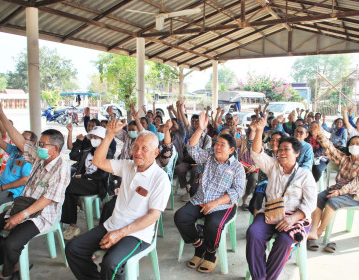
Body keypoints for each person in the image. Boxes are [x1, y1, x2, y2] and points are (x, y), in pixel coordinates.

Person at [65, 121, 171, 280]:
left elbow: (153, 216)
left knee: (111, 264)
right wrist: (109, 135)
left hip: (137, 234)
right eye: (135, 147)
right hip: (112, 224)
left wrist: (120, 234)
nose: (138, 152)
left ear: (155, 153)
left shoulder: (160, 179)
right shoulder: (127, 166)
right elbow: (98, 162)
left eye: (144, 149)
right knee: (73, 248)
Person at [0, 103, 71, 280]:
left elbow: (48, 199)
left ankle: (7, 274)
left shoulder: (62, 169)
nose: (39, 147)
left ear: (56, 149)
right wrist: (2, 116)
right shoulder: (39, 155)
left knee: (11, 243)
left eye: (43, 145)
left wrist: (20, 216)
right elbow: (19, 141)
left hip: (42, 214)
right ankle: (8, 264)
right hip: (22, 205)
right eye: (39, 143)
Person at [246, 116, 317, 280]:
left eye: (287, 149)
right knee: (253, 233)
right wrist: (259, 130)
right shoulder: (273, 167)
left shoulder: (305, 175)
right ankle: (259, 278)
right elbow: (256, 153)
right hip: (271, 213)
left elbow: (310, 204)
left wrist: (293, 218)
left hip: (295, 217)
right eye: (280, 149)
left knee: (284, 241)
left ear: (297, 153)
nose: (281, 152)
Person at [174, 112, 245, 273]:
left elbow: (237, 191)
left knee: (213, 225)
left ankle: (211, 254)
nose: (217, 147)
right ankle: (199, 247)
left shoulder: (237, 167)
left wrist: (214, 203)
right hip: (200, 200)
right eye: (216, 143)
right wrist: (200, 129)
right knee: (180, 217)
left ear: (231, 149)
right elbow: (192, 148)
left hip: (222, 205)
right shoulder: (209, 157)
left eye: (222, 145)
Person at [307, 122, 359, 253]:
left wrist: (339, 192)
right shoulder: (345, 159)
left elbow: (355, 183)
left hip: (354, 193)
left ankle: (318, 233)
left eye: (358, 144)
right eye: (352, 143)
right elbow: (331, 150)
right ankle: (313, 230)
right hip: (338, 188)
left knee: (331, 203)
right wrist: (320, 134)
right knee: (318, 198)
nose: (354, 146)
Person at [0, 113, 36, 220]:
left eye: (24, 139)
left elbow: (25, 180)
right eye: (20, 137)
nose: (20, 140)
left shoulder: (29, 157)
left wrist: (0, 188)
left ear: (32, 143)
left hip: (11, 192)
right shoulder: (15, 150)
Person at [61, 126, 109, 240]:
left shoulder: (108, 153)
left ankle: (71, 219)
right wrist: (78, 142)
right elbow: (73, 156)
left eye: (96, 137)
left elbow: (102, 175)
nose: (93, 139)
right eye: (91, 137)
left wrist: (84, 176)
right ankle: (73, 226)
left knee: (68, 183)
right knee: (69, 190)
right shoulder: (88, 151)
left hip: (97, 184)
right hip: (84, 183)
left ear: (103, 139)